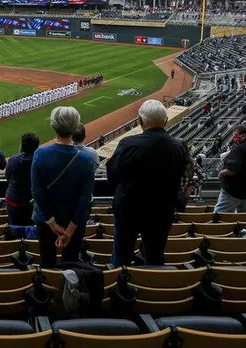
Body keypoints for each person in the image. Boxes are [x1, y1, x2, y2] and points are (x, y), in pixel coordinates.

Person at [107, 99, 187, 267]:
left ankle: (117, 287)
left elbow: (112, 175)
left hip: (128, 209)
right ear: (165, 121)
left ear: (141, 121)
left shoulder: (128, 144)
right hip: (162, 211)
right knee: (155, 254)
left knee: (121, 255)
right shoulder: (179, 146)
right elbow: (181, 177)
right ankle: (154, 289)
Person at [31, 107, 95, 267]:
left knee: (46, 261)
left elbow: (37, 193)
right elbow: (85, 199)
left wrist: (52, 223)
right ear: (75, 127)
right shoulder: (86, 160)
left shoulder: (40, 154)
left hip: (46, 220)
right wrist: (70, 230)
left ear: (54, 126)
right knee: (72, 264)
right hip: (73, 221)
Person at [215, 125, 246, 213]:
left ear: (243, 136)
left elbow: (232, 170)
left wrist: (221, 173)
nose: (234, 138)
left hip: (233, 190)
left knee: (219, 216)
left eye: (235, 136)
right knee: (242, 217)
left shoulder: (237, 149)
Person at [4, 132, 39, 226]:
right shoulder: (39, 161)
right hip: (31, 202)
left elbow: (7, 176)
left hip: (14, 200)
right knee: (29, 228)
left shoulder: (14, 160)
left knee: (14, 227)